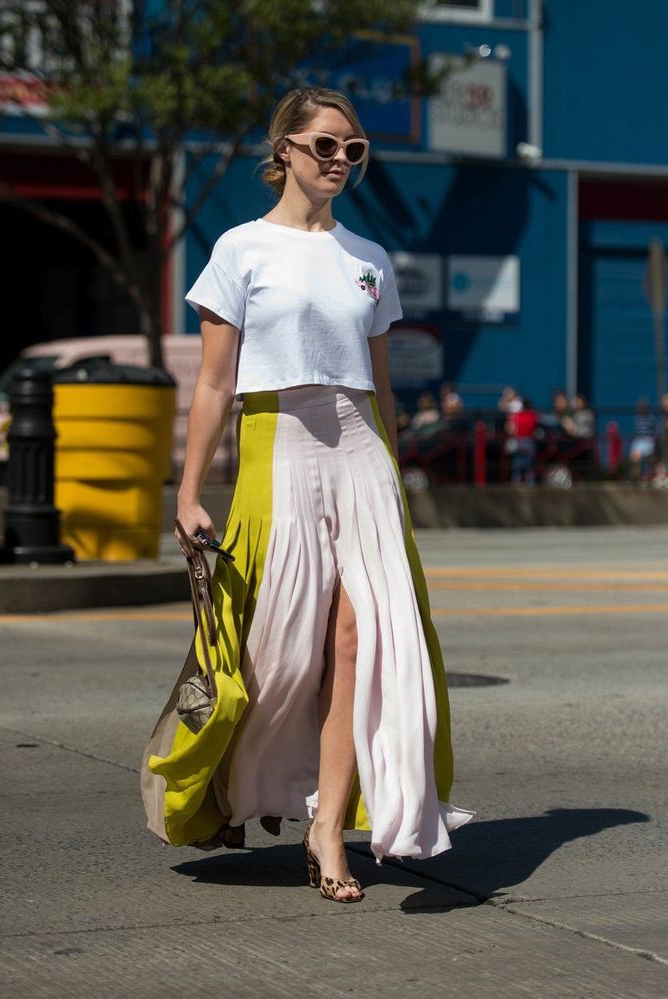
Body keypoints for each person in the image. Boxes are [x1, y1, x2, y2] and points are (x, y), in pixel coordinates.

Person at [141, 86, 474, 904]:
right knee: (278, 650)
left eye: (352, 151)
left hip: (361, 450)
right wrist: (188, 492)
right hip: (278, 442)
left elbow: (383, 390)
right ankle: (235, 786)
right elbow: (215, 384)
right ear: (283, 148)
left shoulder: (369, 259)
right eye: (324, 145)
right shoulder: (241, 248)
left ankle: (330, 824)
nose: (338, 161)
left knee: (365, 637)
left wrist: (396, 479)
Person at [506, 398, 538, 485]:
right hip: (530, 442)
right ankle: (530, 483)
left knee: (517, 464)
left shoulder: (517, 416)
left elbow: (510, 429)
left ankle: (515, 482)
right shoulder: (533, 415)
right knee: (529, 465)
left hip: (519, 441)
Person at [629, 397, 658, 481]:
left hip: (649, 439)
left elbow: (655, 431)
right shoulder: (638, 418)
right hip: (639, 439)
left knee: (650, 459)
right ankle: (636, 477)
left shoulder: (651, 418)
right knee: (635, 458)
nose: (641, 408)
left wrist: (653, 440)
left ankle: (651, 475)